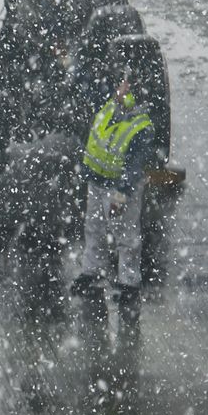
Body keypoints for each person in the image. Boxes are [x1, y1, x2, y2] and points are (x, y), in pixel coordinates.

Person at [70, 71, 155, 309]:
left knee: (125, 235)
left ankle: (130, 284)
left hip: (117, 187)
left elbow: (134, 167)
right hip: (97, 180)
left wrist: (121, 194)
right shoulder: (111, 107)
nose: (120, 88)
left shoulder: (141, 127)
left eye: (125, 84)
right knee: (94, 227)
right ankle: (92, 271)